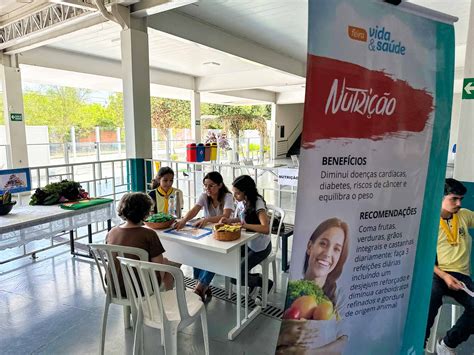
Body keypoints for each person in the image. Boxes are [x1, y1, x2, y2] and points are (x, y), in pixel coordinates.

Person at [277, 217, 350, 354]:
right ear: (310, 247)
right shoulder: (289, 288)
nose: (327, 254)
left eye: (336, 249)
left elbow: (343, 341)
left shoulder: (340, 297)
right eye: (323, 243)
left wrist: (306, 353)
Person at [425, 178, 474, 355]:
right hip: (438, 273)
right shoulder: (429, 220)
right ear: (440, 197)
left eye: (461, 199)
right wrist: (444, 276)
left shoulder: (464, 215)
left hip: (462, 276)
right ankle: (419, 345)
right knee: (429, 299)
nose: (459, 203)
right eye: (454, 199)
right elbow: (424, 257)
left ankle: (447, 343)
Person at [174, 171, 234, 302]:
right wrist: (183, 221)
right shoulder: (204, 196)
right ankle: (202, 285)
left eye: (211, 186)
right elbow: (195, 210)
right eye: (205, 186)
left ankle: (200, 288)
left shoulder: (227, 196)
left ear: (220, 185)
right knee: (197, 253)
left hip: (224, 233)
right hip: (208, 234)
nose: (208, 189)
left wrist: (207, 220)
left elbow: (226, 216)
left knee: (213, 256)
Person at [106, 192, 173, 292]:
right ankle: (165, 303)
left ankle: (130, 306)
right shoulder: (149, 234)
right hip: (142, 288)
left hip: (114, 286)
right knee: (168, 266)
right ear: (146, 213)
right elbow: (158, 266)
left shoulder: (111, 232)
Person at [220, 174, 272, 297]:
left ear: (246, 192)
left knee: (235, 276)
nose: (234, 196)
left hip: (260, 247)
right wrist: (229, 221)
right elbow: (241, 218)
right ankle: (253, 281)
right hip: (247, 243)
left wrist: (245, 226)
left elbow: (265, 228)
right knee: (230, 269)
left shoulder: (257, 203)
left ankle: (263, 282)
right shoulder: (242, 201)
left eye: (237, 193)